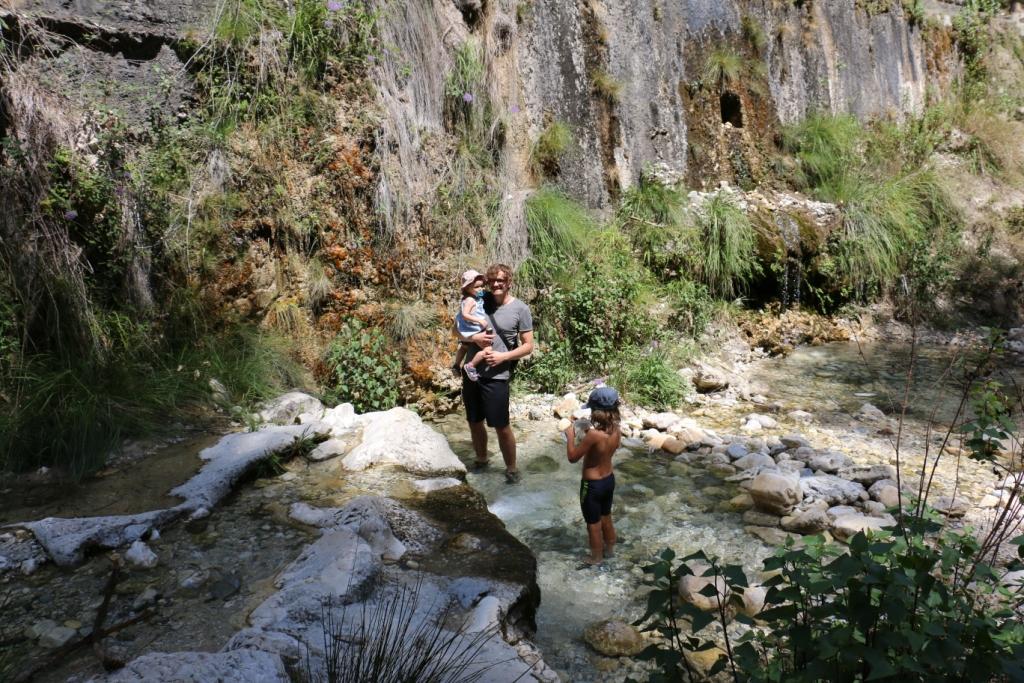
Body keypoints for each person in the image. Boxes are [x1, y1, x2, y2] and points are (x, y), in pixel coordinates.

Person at [462, 263, 534, 483]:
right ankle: (481, 459)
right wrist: (473, 338)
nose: (496, 284)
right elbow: (456, 329)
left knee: (501, 426)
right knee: (474, 421)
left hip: (498, 376)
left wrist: (503, 357)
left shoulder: (520, 309)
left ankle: (511, 468)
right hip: (472, 371)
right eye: (492, 280)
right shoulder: (478, 301)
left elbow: (528, 345)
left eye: (500, 280)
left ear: (509, 282)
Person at [564, 386, 621, 566]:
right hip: (608, 480)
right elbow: (600, 448)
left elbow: (573, 458)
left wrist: (570, 436)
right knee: (606, 515)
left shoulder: (594, 435)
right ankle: (610, 548)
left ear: (596, 411)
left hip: (592, 486)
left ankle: (596, 558)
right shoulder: (616, 429)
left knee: (593, 524)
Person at [452, 269, 491, 382]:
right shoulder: (470, 300)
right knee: (487, 350)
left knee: (465, 346)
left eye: (482, 286)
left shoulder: (474, 298)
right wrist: (479, 320)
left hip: (467, 328)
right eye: (477, 287)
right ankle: (471, 366)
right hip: (473, 329)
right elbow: (465, 315)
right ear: (468, 288)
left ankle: (456, 364)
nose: (481, 289)